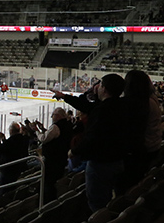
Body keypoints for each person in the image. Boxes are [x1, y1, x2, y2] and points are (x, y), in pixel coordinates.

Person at [55, 73, 128, 211]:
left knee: (98, 200)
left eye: (100, 85)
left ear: (104, 89)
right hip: (117, 159)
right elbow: (88, 107)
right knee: (112, 195)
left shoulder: (102, 111)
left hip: (101, 162)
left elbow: (92, 137)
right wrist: (65, 97)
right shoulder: (120, 105)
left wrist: (74, 151)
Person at [35, 108, 73, 202]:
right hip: (61, 158)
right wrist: (43, 129)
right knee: (54, 180)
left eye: (53, 115)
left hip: (52, 160)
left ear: (59, 116)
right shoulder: (68, 125)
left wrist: (36, 131)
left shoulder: (56, 126)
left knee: (48, 182)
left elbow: (44, 138)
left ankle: (46, 202)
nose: (52, 117)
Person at [0, 122, 30, 191]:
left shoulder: (11, 141)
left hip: (8, 169)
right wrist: (4, 139)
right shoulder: (23, 139)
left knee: (4, 189)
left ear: (11, 131)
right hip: (19, 166)